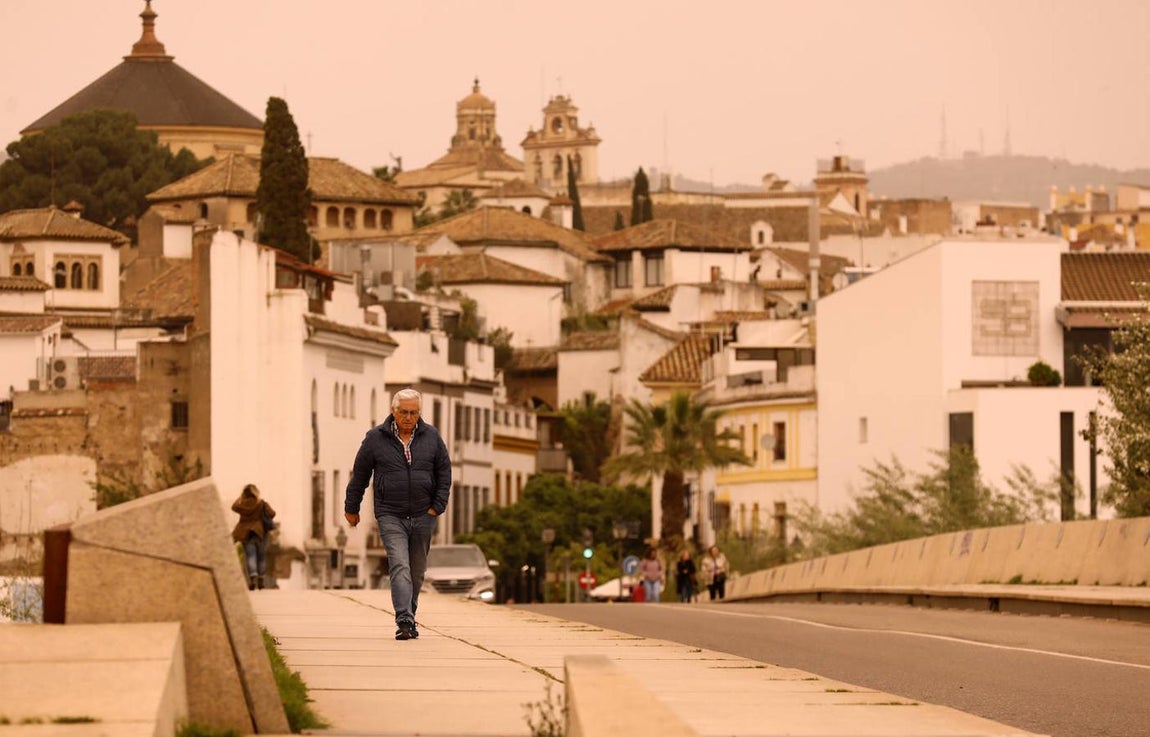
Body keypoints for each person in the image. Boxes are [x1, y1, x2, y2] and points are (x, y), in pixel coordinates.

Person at [345, 388, 451, 641]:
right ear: (393, 411)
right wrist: (352, 507)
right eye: (403, 412)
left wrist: (437, 506)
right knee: (400, 565)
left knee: (417, 571)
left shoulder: (432, 437)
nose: (408, 417)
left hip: (424, 515)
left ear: (419, 413)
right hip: (390, 514)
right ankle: (403, 618)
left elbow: (444, 474)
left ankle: (409, 614)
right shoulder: (375, 439)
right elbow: (359, 475)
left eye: (414, 413)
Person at [232, 483, 275, 591]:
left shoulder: (242, 504)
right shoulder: (261, 503)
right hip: (261, 533)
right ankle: (261, 582)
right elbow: (272, 513)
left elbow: (233, 506)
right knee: (261, 557)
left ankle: (252, 578)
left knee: (251, 556)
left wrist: (240, 497)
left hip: (246, 534)